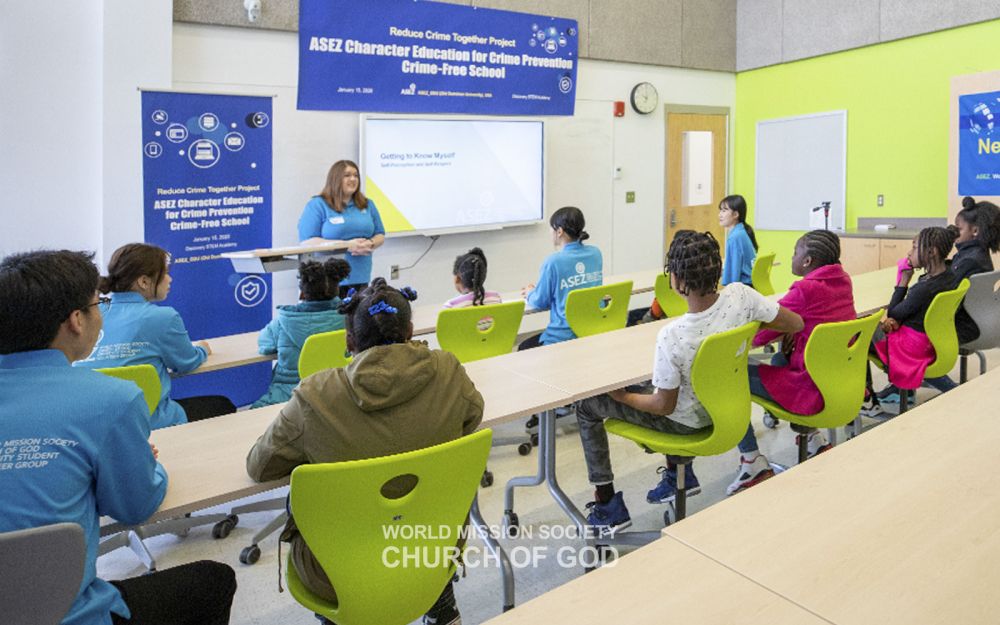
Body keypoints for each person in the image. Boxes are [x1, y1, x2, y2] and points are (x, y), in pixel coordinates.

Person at [0, 250, 236, 625]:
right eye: (99, 302)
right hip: (67, 615)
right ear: (76, 320)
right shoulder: (109, 400)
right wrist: (143, 460)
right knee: (214, 580)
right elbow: (136, 507)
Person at [246, 278, 483, 625]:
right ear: (411, 330)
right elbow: (472, 417)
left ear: (348, 340)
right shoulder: (448, 370)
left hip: (336, 573)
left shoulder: (316, 395)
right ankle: (441, 602)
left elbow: (260, 466)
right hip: (431, 552)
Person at [575, 231, 804, 535]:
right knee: (665, 382)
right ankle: (676, 475)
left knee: (587, 405)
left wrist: (623, 397)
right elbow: (795, 323)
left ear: (677, 282)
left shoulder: (673, 336)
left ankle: (607, 505)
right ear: (717, 270)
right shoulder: (742, 296)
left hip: (688, 424)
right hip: (729, 411)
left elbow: (662, 405)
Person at [728, 230, 857, 495]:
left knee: (730, 375)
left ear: (808, 261)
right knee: (778, 357)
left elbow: (761, 333)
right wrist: (793, 331)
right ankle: (813, 439)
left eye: (796, 252)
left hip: (808, 386)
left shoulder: (805, 289)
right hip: (835, 378)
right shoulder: (843, 280)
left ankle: (751, 460)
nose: (792, 256)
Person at [75, 243, 234, 428]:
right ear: (144, 282)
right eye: (165, 273)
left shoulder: (92, 313)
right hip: (148, 421)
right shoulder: (163, 317)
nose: (170, 279)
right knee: (223, 404)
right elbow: (186, 362)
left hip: (94, 424)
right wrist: (203, 350)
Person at [868, 227, 959, 407]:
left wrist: (903, 281)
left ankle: (868, 400)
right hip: (930, 340)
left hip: (910, 348)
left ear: (931, 251)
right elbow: (910, 311)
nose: (909, 253)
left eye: (915, 247)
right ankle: (906, 390)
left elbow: (893, 312)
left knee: (861, 331)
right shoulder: (950, 276)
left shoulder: (924, 288)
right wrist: (897, 319)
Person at [252, 257, 351, 407]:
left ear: (303, 292)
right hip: (334, 392)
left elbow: (264, 346)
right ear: (337, 289)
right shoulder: (349, 318)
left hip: (289, 395)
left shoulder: (283, 321)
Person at [519, 206, 603, 349]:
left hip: (563, 336)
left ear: (559, 231)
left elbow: (540, 301)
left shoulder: (553, 262)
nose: (550, 232)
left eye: (551, 228)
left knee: (523, 347)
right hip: (592, 329)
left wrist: (530, 292)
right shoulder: (595, 253)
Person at [298, 160, 386, 296]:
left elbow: (380, 234)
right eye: (347, 175)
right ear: (335, 178)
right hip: (327, 280)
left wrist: (371, 243)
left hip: (360, 276)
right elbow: (307, 241)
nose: (353, 179)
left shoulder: (367, 204)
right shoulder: (318, 204)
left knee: (356, 317)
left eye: (356, 175)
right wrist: (347, 245)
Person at [718, 194, 758, 286]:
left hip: (742, 287)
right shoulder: (742, 231)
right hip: (750, 285)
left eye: (724, 211)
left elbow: (734, 273)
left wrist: (728, 290)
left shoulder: (735, 237)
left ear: (735, 214)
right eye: (720, 210)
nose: (720, 214)